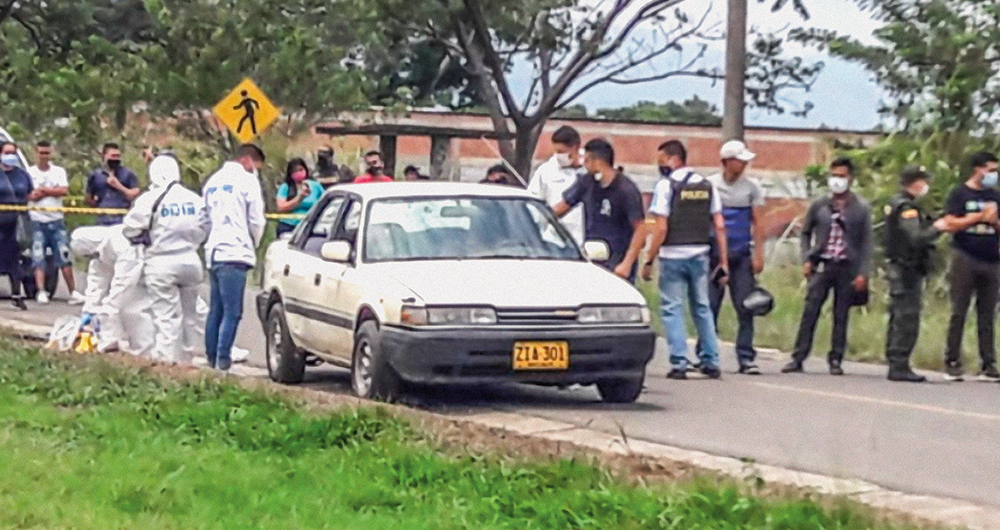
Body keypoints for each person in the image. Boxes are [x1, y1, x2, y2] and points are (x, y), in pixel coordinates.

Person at [643, 139, 728, 380]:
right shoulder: (707, 186)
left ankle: (680, 363)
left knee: (672, 309)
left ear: (672, 159)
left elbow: (661, 227)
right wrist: (723, 262)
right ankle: (711, 360)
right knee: (702, 307)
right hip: (700, 254)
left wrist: (649, 259)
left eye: (661, 161)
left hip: (672, 256)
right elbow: (719, 225)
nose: (660, 166)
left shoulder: (666, 186)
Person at [782, 157, 872, 376]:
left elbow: (867, 243)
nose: (837, 181)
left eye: (841, 176)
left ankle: (836, 359)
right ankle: (798, 357)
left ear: (850, 178)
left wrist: (863, 273)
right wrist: (806, 258)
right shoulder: (820, 204)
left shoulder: (860, 208)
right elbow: (805, 232)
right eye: (834, 176)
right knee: (810, 310)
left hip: (846, 267)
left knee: (841, 314)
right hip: (822, 264)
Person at [123, 155, 209, 364]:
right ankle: (186, 359)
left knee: (166, 317)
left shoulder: (149, 198)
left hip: (160, 263)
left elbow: (129, 228)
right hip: (191, 261)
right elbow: (205, 227)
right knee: (190, 316)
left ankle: (166, 362)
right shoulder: (194, 199)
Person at [693, 140, 765, 375]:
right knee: (709, 306)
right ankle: (706, 355)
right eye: (739, 160)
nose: (744, 164)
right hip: (714, 257)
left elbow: (758, 223)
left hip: (741, 255)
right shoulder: (710, 185)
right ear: (726, 162)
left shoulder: (751, 188)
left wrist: (759, 255)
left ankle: (746, 357)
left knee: (746, 307)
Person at [933, 152, 1000, 382]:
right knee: (959, 311)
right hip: (965, 256)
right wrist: (978, 217)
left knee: (987, 313)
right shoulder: (960, 193)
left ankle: (988, 364)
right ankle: (952, 361)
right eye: (990, 170)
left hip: (991, 259)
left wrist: (994, 221)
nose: (993, 175)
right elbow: (949, 223)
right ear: (977, 169)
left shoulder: (995, 196)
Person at [203, 144, 266, 371]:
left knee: (216, 309)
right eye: (255, 167)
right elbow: (257, 219)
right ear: (248, 160)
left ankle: (211, 358)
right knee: (233, 312)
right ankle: (223, 359)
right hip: (236, 252)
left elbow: (205, 219)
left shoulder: (212, 181)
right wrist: (254, 243)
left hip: (215, 252)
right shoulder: (248, 182)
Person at [553, 138, 646, 282]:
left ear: (597, 161)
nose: (584, 164)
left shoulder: (626, 189)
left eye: (587, 159)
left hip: (618, 263)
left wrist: (626, 264)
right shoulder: (586, 182)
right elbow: (562, 207)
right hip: (593, 260)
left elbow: (640, 228)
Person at [882, 166, 943, 383]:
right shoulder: (906, 208)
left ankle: (894, 359)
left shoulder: (897, 203)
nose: (925, 186)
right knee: (907, 316)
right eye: (922, 181)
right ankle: (899, 364)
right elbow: (916, 238)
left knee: (898, 314)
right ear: (914, 182)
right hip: (906, 269)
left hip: (900, 268)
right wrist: (938, 228)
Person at [70, 224, 155, 355]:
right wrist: (88, 313)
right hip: (134, 272)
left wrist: (108, 309)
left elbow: (123, 284)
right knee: (121, 311)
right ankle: (121, 347)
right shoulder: (100, 251)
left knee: (133, 311)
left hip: (147, 272)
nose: (91, 259)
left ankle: (147, 354)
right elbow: (97, 281)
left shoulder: (121, 242)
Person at [26, 141, 83, 305]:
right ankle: (41, 291)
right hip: (36, 220)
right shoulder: (29, 172)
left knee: (64, 256)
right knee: (38, 257)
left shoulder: (59, 171)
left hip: (56, 220)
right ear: (36, 153)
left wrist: (44, 191)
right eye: (41, 153)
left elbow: (63, 190)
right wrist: (46, 192)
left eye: (47, 153)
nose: (44, 156)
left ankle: (73, 291)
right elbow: (28, 194)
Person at [528, 126, 585, 244]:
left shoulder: (589, 168)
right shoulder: (546, 171)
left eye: (562, 152)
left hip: (585, 239)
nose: (559, 156)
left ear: (576, 147)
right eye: (557, 151)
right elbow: (533, 204)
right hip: (555, 240)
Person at [0, 141, 33, 310]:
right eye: (7, 152)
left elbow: (29, 193)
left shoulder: (22, 175)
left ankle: (16, 295)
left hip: (15, 225)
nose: (10, 156)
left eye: (13, 152)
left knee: (15, 261)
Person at [86, 142, 140, 225]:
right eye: (113, 156)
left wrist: (118, 186)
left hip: (123, 218)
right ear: (104, 156)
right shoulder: (95, 175)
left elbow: (135, 195)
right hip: (102, 219)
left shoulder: (128, 174)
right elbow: (89, 198)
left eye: (118, 156)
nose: (116, 159)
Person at [275, 158, 324, 237]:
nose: (298, 173)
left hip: (310, 226)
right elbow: (281, 206)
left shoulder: (315, 185)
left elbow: (325, 201)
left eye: (301, 170)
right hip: (289, 226)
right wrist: (299, 198)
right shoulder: (286, 187)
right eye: (295, 171)